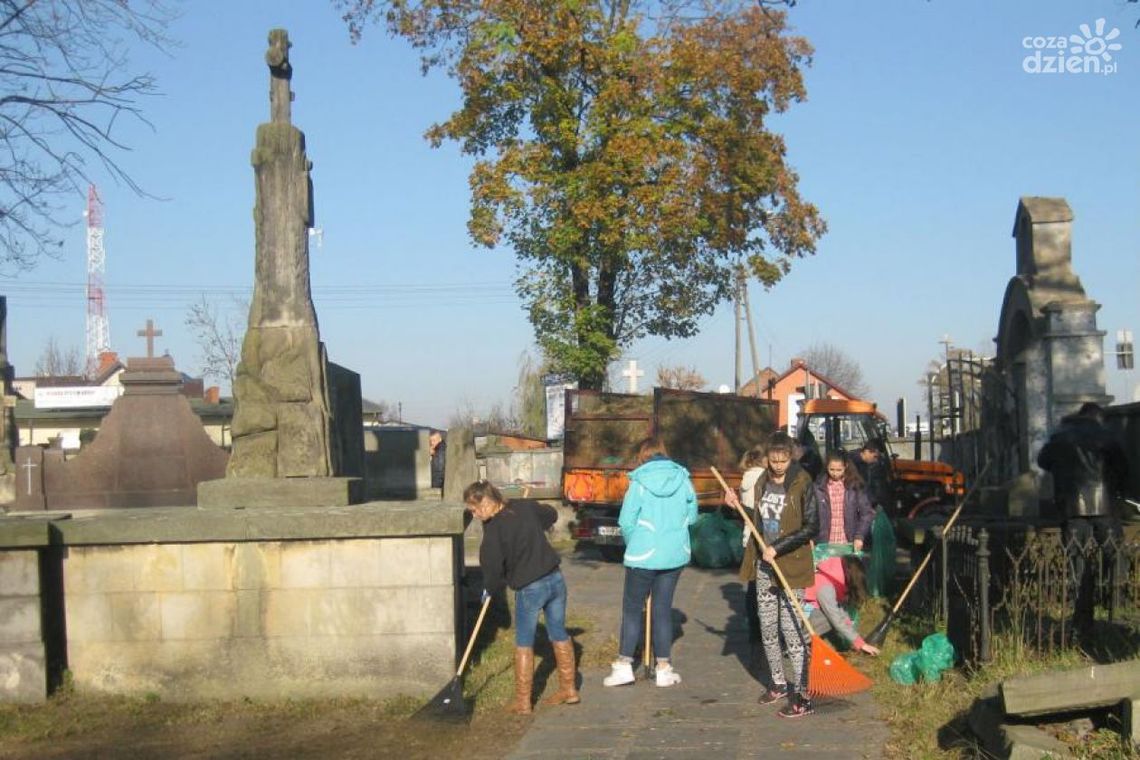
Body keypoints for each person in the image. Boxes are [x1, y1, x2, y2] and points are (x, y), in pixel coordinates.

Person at [725, 431, 820, 718]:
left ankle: (803, 695)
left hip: (791, 566)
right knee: (768, 629)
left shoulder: (803, 483)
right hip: (764, 566)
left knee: (792, 631)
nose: (778, 466)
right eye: (774, 460)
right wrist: (736, 507)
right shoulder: (763, 481)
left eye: (783, 460)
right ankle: (778, 683)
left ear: (791, 457)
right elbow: (757, 520)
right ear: (767, 458)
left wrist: (777, 548)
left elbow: (812, 527)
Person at [463, 480, 579, 714]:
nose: (474, 515)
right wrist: (532, 512)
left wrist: (488, 588)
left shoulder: (495, 531)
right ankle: (569, 690)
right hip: (555, 579)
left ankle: (523, 702)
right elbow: (551, 515)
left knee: (524, 642)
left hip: (530, 588)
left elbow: (493, 570)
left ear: (486, 501)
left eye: (475, 509)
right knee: (559, 633)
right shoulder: (523, 507)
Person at [602, 436, 698, 688]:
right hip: (674, 554)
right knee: (662, 610)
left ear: (643, 456)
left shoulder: (639, 482)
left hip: (642, 556)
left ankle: (624, 665)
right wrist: (674, 532)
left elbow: (626, 521)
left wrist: (636, 542)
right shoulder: (683, 479)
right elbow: (693, 516)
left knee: (633, 609)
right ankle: (664, 667)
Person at [1037, 402, 1130, 635]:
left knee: (1076, 555)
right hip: (1105, 505)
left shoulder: (1060, 436)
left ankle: (1082, 608)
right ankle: (1115, 602)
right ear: (1098, 417)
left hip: (1071, 506)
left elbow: (1042, 461)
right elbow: (1122, 467)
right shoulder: (1106, 435)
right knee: (1114, 553)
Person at [805, 555, 880, 656]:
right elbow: (836, 618)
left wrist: (856, 638)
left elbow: (841, 611)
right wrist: (861, 644)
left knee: (836, 617)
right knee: (829, 619)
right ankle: (801, 642)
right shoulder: (825, 586)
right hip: (800, 621)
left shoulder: (830, 579)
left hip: (807, 617)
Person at [814, 451, 875, 552]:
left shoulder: (854, 487)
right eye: (831, 469)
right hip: (824, 543)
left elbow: (867, 514)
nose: (835, 473)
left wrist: (859, 536)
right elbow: (811, 516)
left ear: (846, 466)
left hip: (849, 542)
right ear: (826, 467)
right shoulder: (818, 487)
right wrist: (812, 539)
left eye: (839, 470)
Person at [854, 440, 891, 511]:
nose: (876, 460)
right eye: (875, 457)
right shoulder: (850, 463)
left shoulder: (864, 464)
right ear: (867, 452)